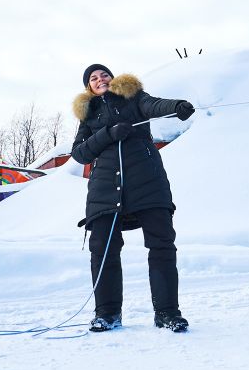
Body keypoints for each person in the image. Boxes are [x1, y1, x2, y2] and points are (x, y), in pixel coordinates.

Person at [71, 63, 195, 333]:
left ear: (113, 79)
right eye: (93, 78)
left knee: (162, 245)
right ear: (88, 87)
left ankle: (167, 313)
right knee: (103, 250)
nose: (100, 79)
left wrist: (178, 106)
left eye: (104, 74)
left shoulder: (133, 96)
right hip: (104, 190)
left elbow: (155, 105)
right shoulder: (88, 114)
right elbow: (79, 153)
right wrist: (107, 134)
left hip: (148, 182)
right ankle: (108, 314)